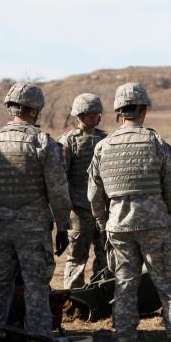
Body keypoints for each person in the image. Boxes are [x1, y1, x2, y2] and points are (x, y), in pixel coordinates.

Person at [87, 82, 171, 342]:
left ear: (119, 112)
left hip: (119, 226)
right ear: (143, 110)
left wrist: (103, 222)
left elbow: (94, 194)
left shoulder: (103, 146)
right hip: (156, 224)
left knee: (124, 288)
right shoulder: (156, 142)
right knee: (169, 287)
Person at [0, 83, 72, 342]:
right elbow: (57, 190)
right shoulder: (41, 142)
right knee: (36, 288)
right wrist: (63, 225)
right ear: (33, 109)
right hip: (33, 228)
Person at [56, 93, 108, 289]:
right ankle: (74, 298)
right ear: (78, 116)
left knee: (105, 255)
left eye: (96, 113)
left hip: (103, 209)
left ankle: (101, 292)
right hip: (79, 210)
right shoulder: (67, 142)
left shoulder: (106, 139)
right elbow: (60, 178)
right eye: (88, 114)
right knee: (77, 256)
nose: (93, 117)